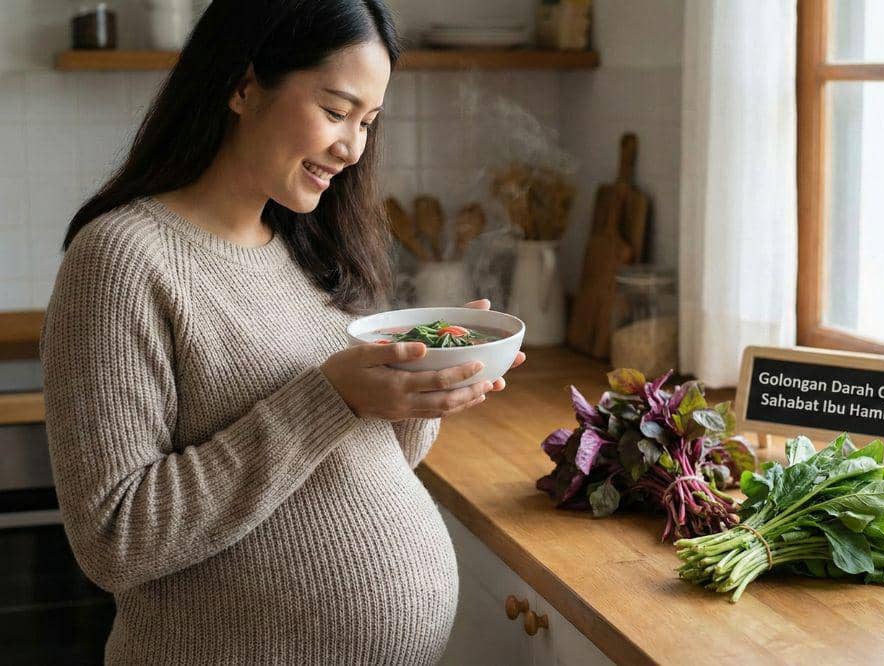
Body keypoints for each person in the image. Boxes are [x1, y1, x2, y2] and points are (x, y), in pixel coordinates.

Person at [40, 1, 524, 663]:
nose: (352, 147)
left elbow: (342, 470)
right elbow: (115, 539)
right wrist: (332, 399)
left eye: (367, 123)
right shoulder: (123, 259)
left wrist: (419, 391)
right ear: (243, 87)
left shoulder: (311, 250)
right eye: (335, 110)